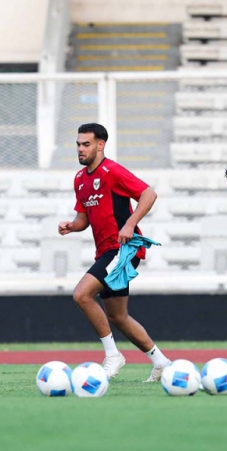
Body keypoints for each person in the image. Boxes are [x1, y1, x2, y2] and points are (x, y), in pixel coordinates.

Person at [58, 123, 170, 382]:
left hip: (122, 249)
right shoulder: (80, 179)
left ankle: (112, 355)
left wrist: (130, 224)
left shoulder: (112, 171)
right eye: (78, 144)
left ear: (100, 145)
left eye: (86, 144)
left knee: (82, 295)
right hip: (106, 251)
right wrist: (72, 226)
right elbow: (83, 219)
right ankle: (161, 362)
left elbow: (149, 194)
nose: (81, 149)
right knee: (118, 316)